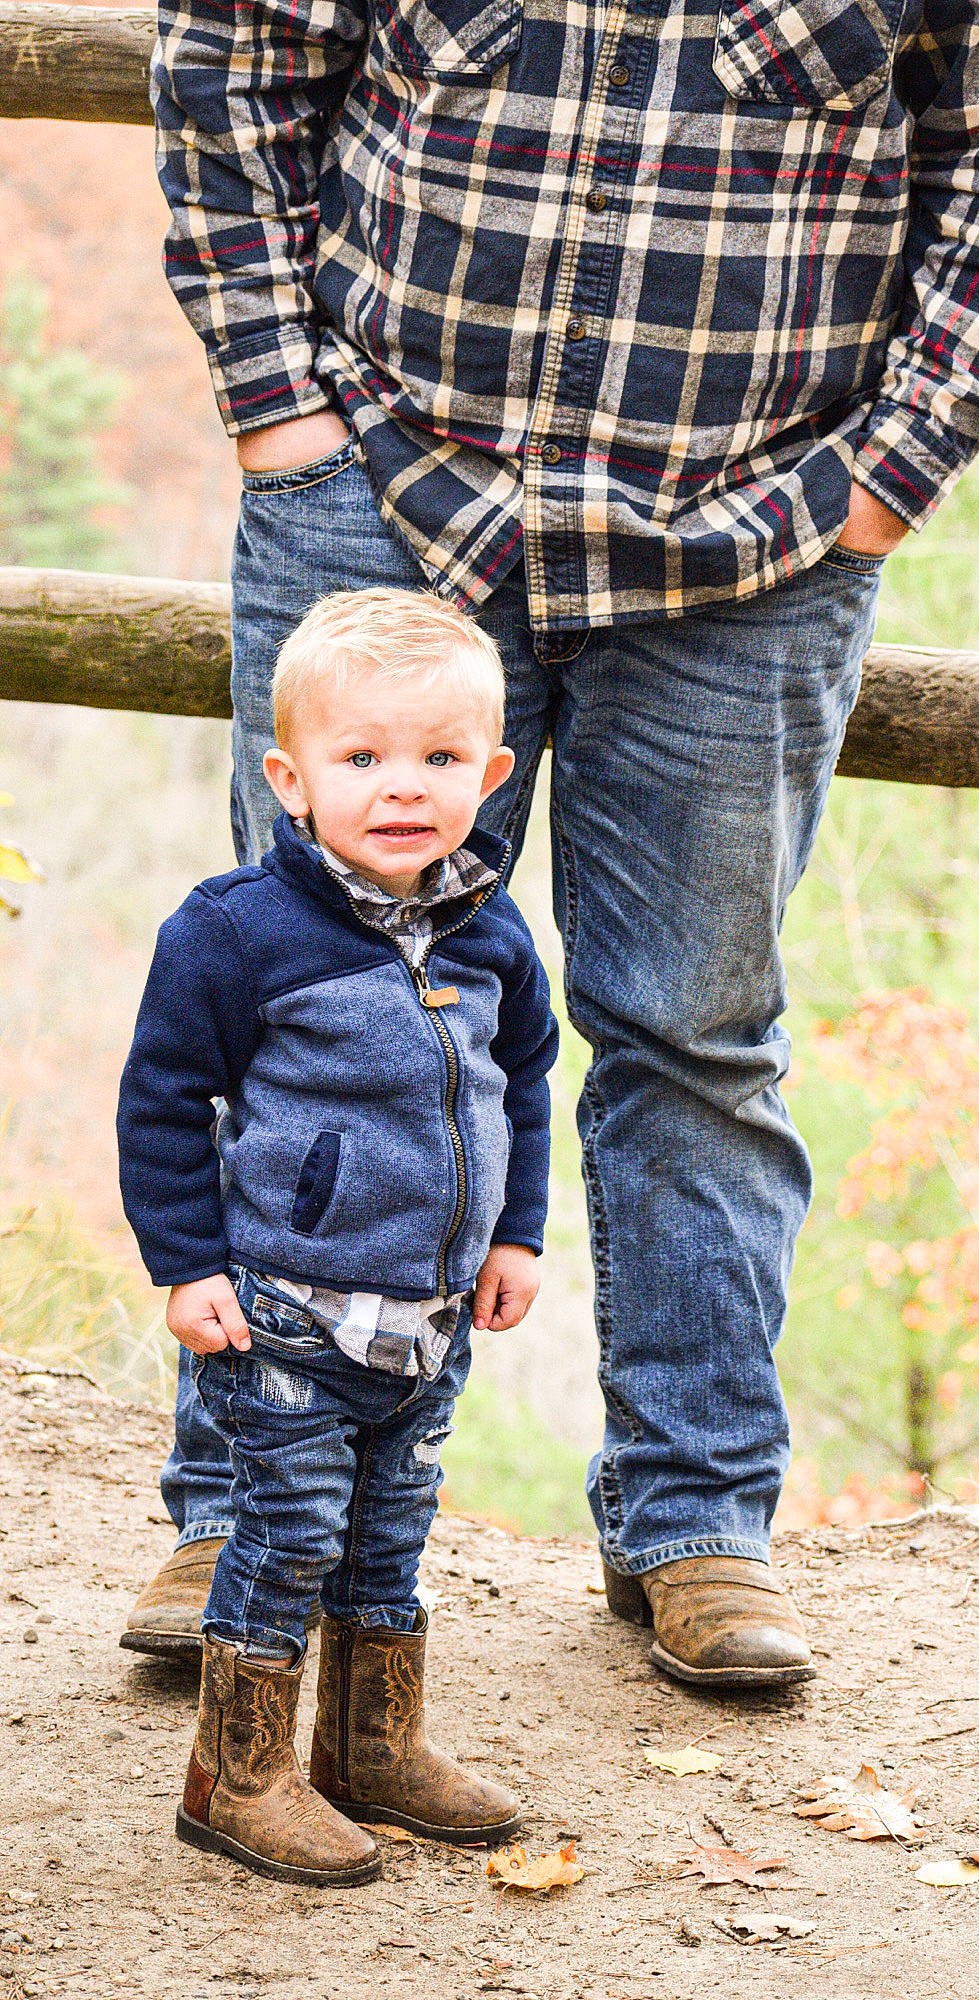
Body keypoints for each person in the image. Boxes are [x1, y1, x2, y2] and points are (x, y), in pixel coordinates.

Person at [123, 0, 979, 1685]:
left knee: (696, 1036)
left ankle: (696, 1529)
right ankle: (239, 1508)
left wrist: (884, 478)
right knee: (294, 1001)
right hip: (385, 482)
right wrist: (279, 409)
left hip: (762, 526)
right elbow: (236, 54)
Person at [118, 590, 559, 1883]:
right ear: (291, 778)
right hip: (285, 1309)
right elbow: (163, 1099)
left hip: (425, 1321)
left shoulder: (490, 933)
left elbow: (520, 1085)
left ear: (489, 773)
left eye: (436, 760)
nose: (402, 788)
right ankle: (235, 1776)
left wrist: (514, 1234)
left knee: (390, 1534)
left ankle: (370, 1749)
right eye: (361, 758)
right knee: (290, 1529)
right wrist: (187, 1265)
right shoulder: (236, 932)